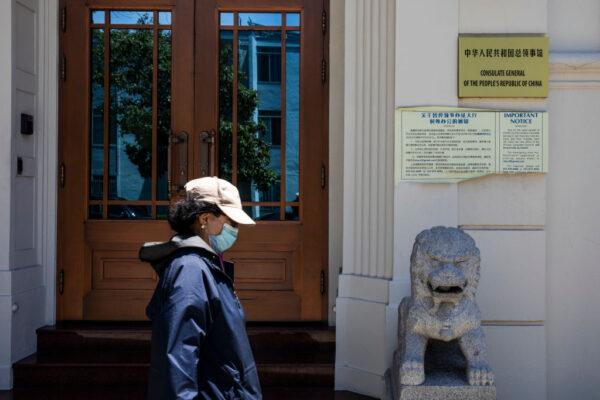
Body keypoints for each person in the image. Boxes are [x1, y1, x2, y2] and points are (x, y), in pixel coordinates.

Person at [140, 177, 262, 399]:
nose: (235, 230)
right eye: (231, 222)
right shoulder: (191, 270)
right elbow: (178, 361)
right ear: (205, 218)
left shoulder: (203, 266)